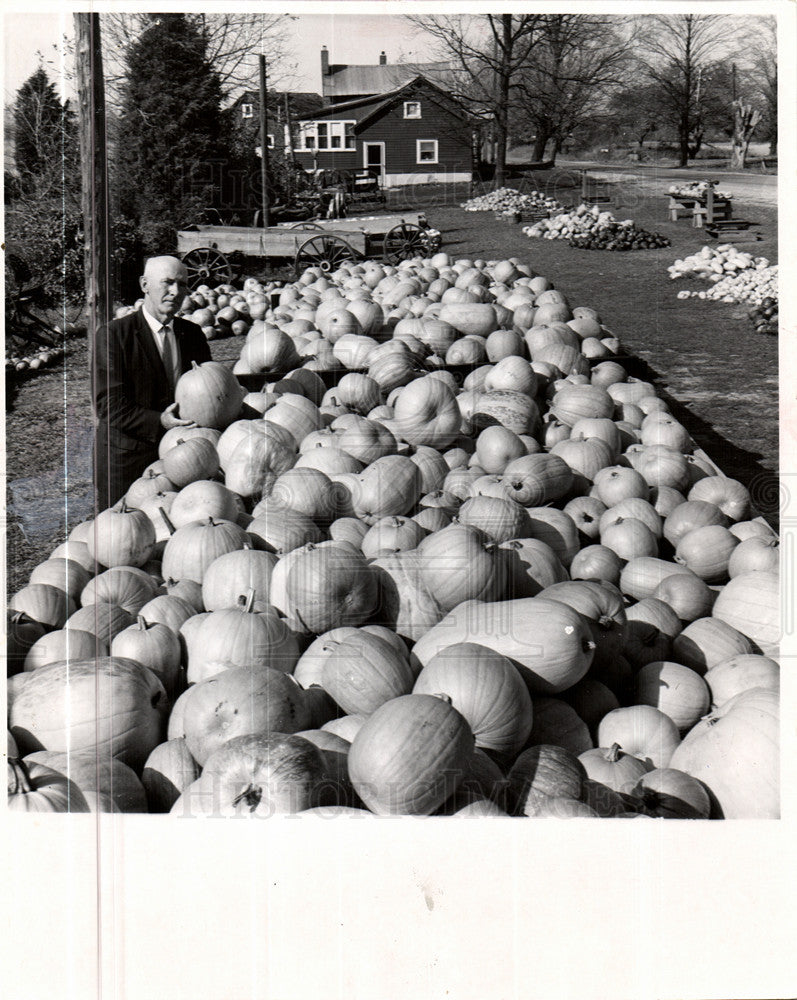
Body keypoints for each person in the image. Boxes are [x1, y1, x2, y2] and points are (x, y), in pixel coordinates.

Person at [92, 255, 212, 510]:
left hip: (182, 459)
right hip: (127, 459)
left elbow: (209, 391)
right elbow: (108, 404)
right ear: (144, 284)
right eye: (167, 283)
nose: (176, 292)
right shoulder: (114, 336)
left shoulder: (192, 334)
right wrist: (160, 421)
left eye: (182, 284)